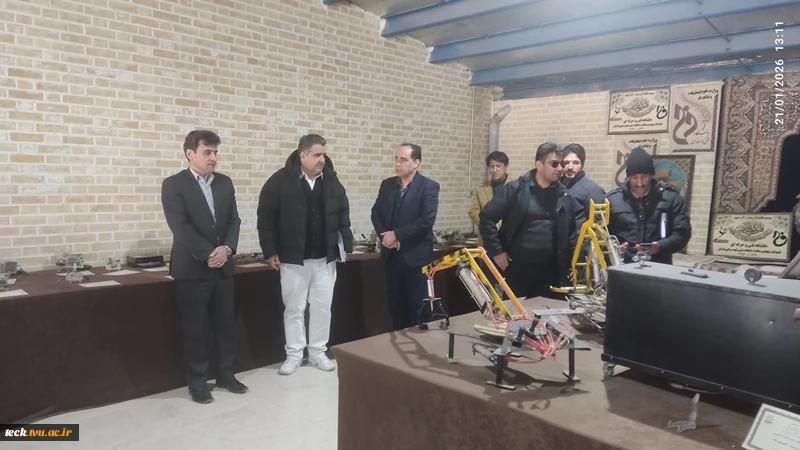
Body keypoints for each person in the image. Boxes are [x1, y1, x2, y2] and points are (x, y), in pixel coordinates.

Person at [161, 130, 247, 404]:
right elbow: (180, 226)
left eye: (215, 152)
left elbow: (234, 220)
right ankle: (198, 382)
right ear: (190, 153)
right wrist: (209, 253)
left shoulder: (224, 183)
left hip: (223, 267)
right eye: (207, 152)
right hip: (192, 269)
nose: (213, 158)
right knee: (195, 329)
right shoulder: (173, 185)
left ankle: (226, 375)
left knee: (225, 325)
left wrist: (227, 249)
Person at [257, 134, 353, 376]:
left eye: (324, 155)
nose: (322, 160)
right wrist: (270, 251)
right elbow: (265, 219)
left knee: (322, 308)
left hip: (325, 258)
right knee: (294, 309)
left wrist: (344, 246)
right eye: (317, 155)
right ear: (303, 155)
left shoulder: (331, 180)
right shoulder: (280, 181)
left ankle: (318, 352)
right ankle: (294, 354)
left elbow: (343, 213)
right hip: (293, 259)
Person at [479, 142, 577, 299]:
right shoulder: (516, 189)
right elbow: (486, 218)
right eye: (554, 164)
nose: (560, 168)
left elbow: (571, 232)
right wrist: (497, 252)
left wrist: (569, 264)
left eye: (561, 164)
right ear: (539, 164)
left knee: (548, 312)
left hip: (551, 272)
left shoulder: (564, 195)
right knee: (516, 312)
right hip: (517, 269)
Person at [371, 143, 440, 330]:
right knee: (396, 306)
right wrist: (386, 237)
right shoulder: (388, 185)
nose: (397, 164)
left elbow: (426, 220)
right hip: (392, 256)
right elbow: (376, 213)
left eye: (403, 160)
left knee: (419, 306)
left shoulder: (428, 187)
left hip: (416, 257)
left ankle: (420, 342)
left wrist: (397, 234)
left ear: (416, 163)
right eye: (396, 159)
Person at [606, 147, 692, 265]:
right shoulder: (612, 200)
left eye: (644, 176)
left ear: (652, 175)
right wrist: (613, 247)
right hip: (623, 267)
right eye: (634, 177)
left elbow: (682, 233)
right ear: (628, 177)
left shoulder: (671, 198)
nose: (640, 183)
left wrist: (660, 246)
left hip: (659, 268)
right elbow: (599, 236)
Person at [469, 151, 510, 248]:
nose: (495, 170)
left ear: (506, 166)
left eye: (499, 166)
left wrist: (503, 223)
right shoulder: (481, 188)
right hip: (487, 239)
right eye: (491, 166)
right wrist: (488, 224)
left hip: (509, 238)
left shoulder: (516, 186)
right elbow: (473, 211)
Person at [561, 143, 606, 230]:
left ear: (582, 165)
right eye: (566, 163)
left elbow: (599, 226)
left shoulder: (593, 190)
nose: (570, 167)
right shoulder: (558, 186)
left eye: (575, 163)